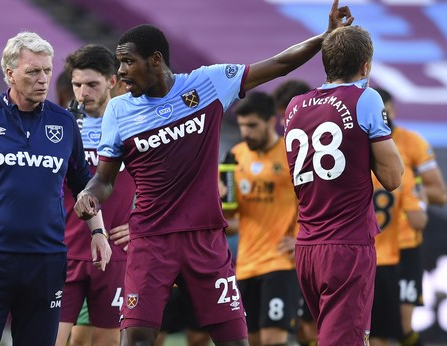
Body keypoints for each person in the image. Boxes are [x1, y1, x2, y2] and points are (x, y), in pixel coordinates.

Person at [73, 2, 354, 344]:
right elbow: (104, 179)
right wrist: (88, 195)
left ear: (156, 60)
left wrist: (326, 37)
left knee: (234, 340)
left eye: (129, 61)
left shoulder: (208, 83)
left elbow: (280, 64)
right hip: (150, 240)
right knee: (137, 339)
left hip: (205, 240)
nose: (123, 71)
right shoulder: (118, 110)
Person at [0, 31, 111, 346]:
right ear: (10, 75)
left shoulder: (65, 122)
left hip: (46, 260)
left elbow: (82, 181)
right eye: (33, 71)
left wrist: (98, 232)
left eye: (47, 70)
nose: (43, 79)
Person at [283, 25, 404, 345]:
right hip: (347, 247)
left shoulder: (294, 105)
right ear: (366, 65)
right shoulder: (365, 98)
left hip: (307, 246)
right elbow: (393, 179)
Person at [56, 44, 135, 346]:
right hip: (64, 251)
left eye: (92, 84)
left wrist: (140, 225)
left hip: (115, 254)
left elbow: (160, 183)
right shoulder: (60, 127)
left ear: (111, 82)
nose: (83, 93)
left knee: (105, 342)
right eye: (77, 85)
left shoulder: (131, 125)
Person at [223, 91, 299, 346]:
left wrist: (301, 240)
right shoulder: (235, 155)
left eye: (252, 125)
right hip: (246, 264)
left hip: (281, 263)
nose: (246, 132)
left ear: (270, 121)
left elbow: (313, 204)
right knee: (250, 340)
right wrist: (220, 199)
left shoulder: (292, 154)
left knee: (273, 339)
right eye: (243, 126)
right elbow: (229, 216)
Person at [374, 88, 446, 346]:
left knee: (403, 327)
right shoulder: (356, 145)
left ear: (393, 110)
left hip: (405, 245)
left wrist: (410, 192)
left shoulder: (412, 143)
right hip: (370, 244)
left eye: (386, 111)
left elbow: (440, 194)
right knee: (375, 329)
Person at [273, 79, 317, 346]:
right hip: (297, 251)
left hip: (313, 247)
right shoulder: (291, 148)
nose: (283, 123)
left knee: (313, 328)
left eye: (285, 116)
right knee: (304, 330)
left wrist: (301, 238)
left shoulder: (313, 148)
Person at [369, 167, 427, 346]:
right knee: (385, 332)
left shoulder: (349, 167)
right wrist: (422, 201)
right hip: (386, 258)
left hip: (351, 256)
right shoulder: (403, 172)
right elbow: (418, 220)